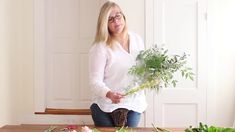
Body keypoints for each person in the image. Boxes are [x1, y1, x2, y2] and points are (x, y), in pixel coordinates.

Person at [89, 1, 147, 127]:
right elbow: (94, 82)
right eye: (110, 19)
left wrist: (153, 77)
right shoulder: (100, 47)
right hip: (105, 106)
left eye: (118, 16)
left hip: (133, 103)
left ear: (123, 16)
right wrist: (109, 94)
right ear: (104, 24)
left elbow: (143, 71)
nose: (116, 21)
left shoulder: (137, 39)